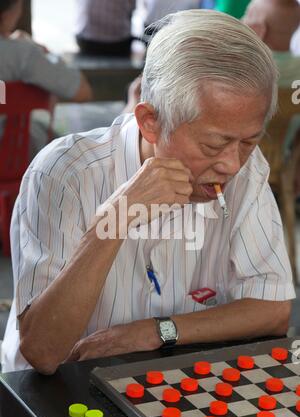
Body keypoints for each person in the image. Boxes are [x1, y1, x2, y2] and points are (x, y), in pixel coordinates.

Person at [2, 10, 295, 374]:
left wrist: (158, 331)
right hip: (52, 395)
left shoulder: (245, 170)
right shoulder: (66, 173)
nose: (232, 164)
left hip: (164, 380)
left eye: (249, 142)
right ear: (150, 122)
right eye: (213, 145)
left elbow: (274, 309)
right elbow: (44, 351)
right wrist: (116, 218)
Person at [0, 0, 93, 155]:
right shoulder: (22, 54)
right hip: (15, 163)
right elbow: (83, 92)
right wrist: (44, 52)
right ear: (9, 12)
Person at [243, 0, 300, 209]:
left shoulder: (252, 67)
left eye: (248, 15)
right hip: (284, 161)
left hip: (243, 161)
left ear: (261, 28)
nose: (243, 20)